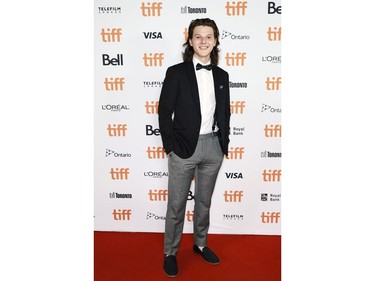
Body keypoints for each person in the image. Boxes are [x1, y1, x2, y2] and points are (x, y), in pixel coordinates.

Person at [158, 18, 231, 277]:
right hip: (183, 148)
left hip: (212, 147)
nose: (203, 41)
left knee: (204, 202)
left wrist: (224, 143)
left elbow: (225, 111)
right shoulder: (176, 72)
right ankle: (170, 252)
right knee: (176, 205)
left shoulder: (222, 75)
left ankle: (200, 244)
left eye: (208, 36)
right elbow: (164, 111)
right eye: (198, 36)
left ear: (215, 40)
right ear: (190, 41)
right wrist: (170, 147)